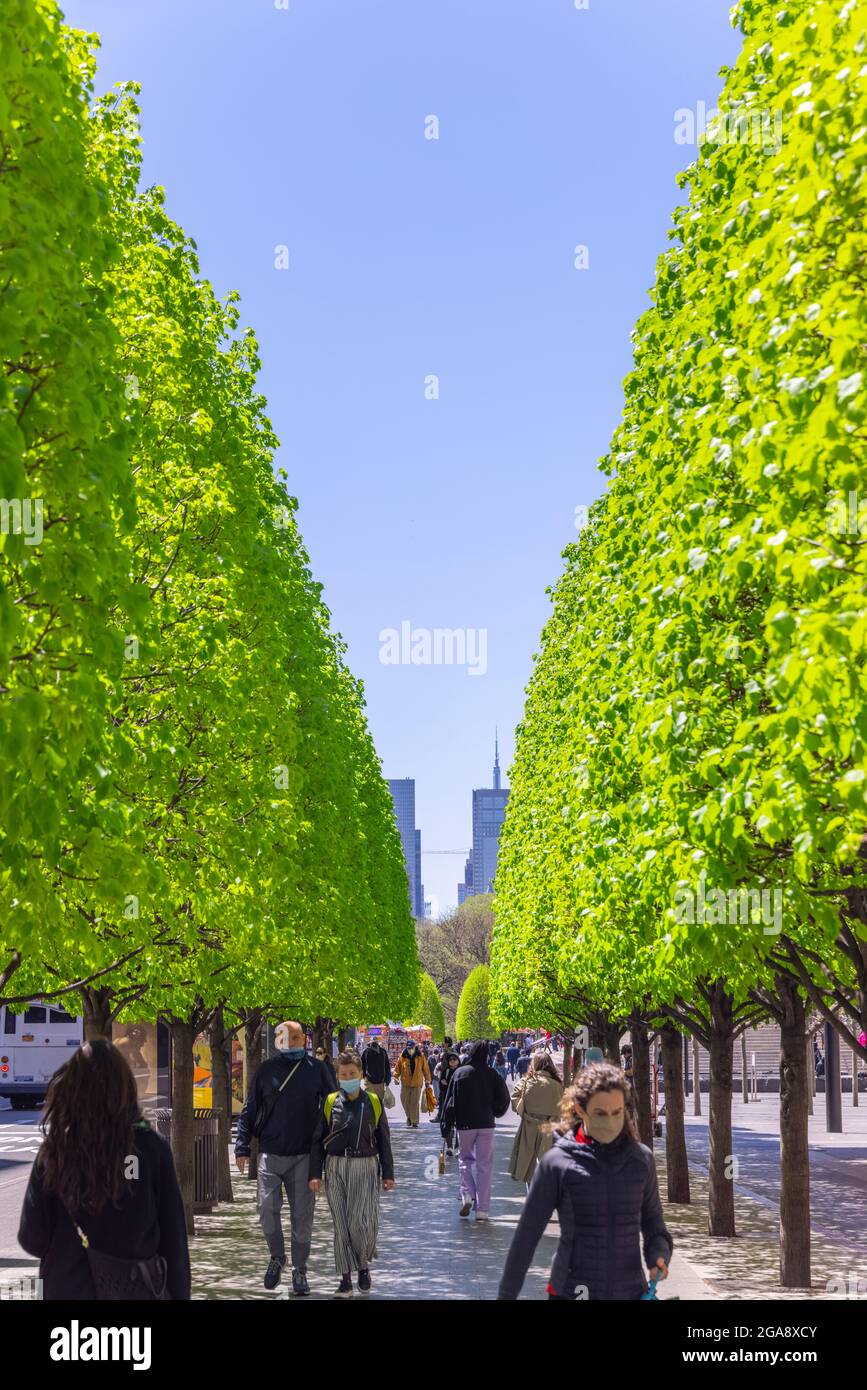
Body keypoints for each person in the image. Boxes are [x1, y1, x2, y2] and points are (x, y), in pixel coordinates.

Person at [17, 1039, 190, 1301]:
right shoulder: (150, 1149)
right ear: (125, 1089)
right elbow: (174, 1245)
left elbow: (32, 1238)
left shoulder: (55, 1152)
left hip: (67, 1302)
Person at [498, 1061, 673, 1300]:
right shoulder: (557, 1163)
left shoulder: (641, 1160)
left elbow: (655, 1226)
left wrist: (658, 1256)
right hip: (570, 1292)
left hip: (630, 1291)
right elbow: (525, 1239)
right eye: (600, 1113)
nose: (610, 1121)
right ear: (580, 1110)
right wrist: (506, 1295)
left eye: (617, 1112)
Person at [235, 1019, 333, 1294]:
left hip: (304, 1155)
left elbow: (332, 1108)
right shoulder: (266, 1070)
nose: (290, 1041)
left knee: (302, 1219)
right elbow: (250, 1109)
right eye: (284, 1037)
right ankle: (277, 1256)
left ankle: (300, 1269)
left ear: (304, 1039)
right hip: (270, 1153)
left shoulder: (318, 1070)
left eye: (295, 1036)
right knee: (266, 1209)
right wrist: (242, 1147)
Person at [309, 1051, 394, 1298]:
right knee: (341, 1226)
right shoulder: (330, 1102)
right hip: (335, 1167)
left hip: (365, 1166)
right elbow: (317, 1140)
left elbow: (384, 1139)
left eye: (352, 1074)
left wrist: (388, 1173)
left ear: (361, 1075)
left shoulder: (373, 1102)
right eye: (343, 1074)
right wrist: (315, 1173)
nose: (347, 1078)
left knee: (360, 1223)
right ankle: (345, 1278)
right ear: (337, 1076)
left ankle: (364, 1266)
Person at [440, 1040, 510, 1221]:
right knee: (484, 1166)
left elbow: (450, 1102)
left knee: (465, 1160)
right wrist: (495, 1111)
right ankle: (483, 1210)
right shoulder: (492, 1074)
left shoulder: (460, 1073)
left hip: (465, 1125)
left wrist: (446, 1125)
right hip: (486, 1124)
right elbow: (503, 1098)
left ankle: (467, 1194)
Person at [508, 1052, 564, 1187]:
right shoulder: (557, 1085)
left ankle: (533, 1195)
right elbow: (562, 1108)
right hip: (549, 1129)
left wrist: (524, 1113)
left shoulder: (527, 1081)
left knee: (528, 1164)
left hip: (529, 1126)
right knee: (546, 1164)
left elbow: (515, 1101)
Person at [393, 1039, 431, 1128]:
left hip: (417, 1083)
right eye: (409, 1048)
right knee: (404, 1101)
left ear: (415, 1047)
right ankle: (409, 1116)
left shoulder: (420, 1056)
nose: (410, 1049)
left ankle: (415, 1121)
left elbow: (426, 1069)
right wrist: (395, 1077)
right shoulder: (402, 1056)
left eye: (412, 1048)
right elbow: (397, 1068)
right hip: (405, 1083)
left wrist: (428, 1081)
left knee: (414, 1102)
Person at [438, 1051, 462, 1155]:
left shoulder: (461, 1071)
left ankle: (457, 1147)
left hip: (459, 1101)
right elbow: (441, 1087)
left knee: (459, 1125)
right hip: (447, 1100)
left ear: (458, 1060)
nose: (452, 1061)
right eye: (450, 1060)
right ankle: (449, 1147)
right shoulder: (446, 1071)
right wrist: (442, 1083)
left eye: (454, 1059)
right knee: (447, 1123)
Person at [361, 1034, 392, 1102]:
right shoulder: (366, 1052)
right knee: (369, 1103)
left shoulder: (383, 1052)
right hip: (369, 1082)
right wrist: (364, 1077)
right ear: (370, 1043)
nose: (374, 1044)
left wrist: (387, 1080)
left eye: (375, 1042)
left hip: (380, 1082)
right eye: (373, 1042)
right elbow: (362, 1066)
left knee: (379, 1103)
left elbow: (387, 1066)